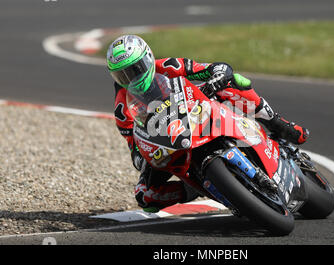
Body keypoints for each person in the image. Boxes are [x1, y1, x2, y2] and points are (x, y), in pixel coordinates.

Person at [107, 35, 309, 212]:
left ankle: (277, 123)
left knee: (235, 82)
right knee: (145, 196)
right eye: (122, 75)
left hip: (197, 110)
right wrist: (145, 156)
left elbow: (209, 68)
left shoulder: (168, 66)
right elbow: (134, 149)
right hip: (170, 140)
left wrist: (217, 75)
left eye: (135, 69)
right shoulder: (122, 110)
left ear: (148, 59)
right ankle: (193, 189)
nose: (131, 78)